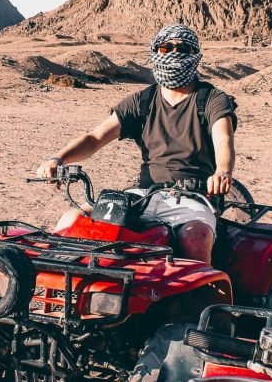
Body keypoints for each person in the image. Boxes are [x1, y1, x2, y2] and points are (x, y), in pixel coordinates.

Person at [36, 24, 237, 264]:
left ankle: (202, 300)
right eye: (166, 47)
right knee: (72, 221)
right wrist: (58, 158)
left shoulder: (212, 99)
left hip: (192, 198)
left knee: (195, 238)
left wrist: (223, 171)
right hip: (144, 195)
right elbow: (95, 137)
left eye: (183, 48)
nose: (174, 53)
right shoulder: (143, 101)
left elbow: (223, 138)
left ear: (194, 54)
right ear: (156, 52)